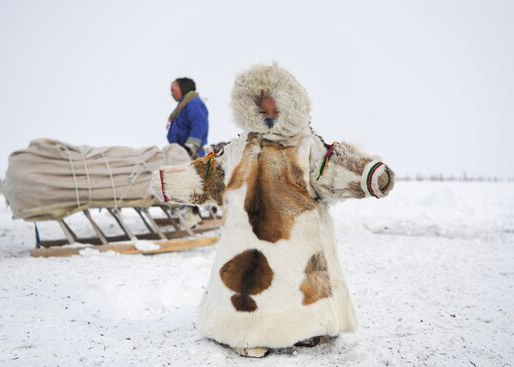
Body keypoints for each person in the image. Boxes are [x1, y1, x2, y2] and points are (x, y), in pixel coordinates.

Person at [152, 64, 395, 358]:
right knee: (248, 286)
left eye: (272, 97)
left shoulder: (306, 144)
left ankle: (308, 327)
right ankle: (244, 331)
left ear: (289, 100)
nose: (267, 105)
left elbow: (330, 168)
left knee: (299, 282)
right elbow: (211, 175)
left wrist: (368, 175)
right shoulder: (240, 146)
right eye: (260, 98)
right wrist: (171, 183)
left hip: (297, 238)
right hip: (245, 241)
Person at [167, 77, 209, 159]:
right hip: (179, 153)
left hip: (191, 154)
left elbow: (199, 123)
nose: (171, 94)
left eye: (173, 90)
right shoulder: (180, 109)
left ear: (183, 87)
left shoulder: (194, 103)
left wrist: (191, 146)